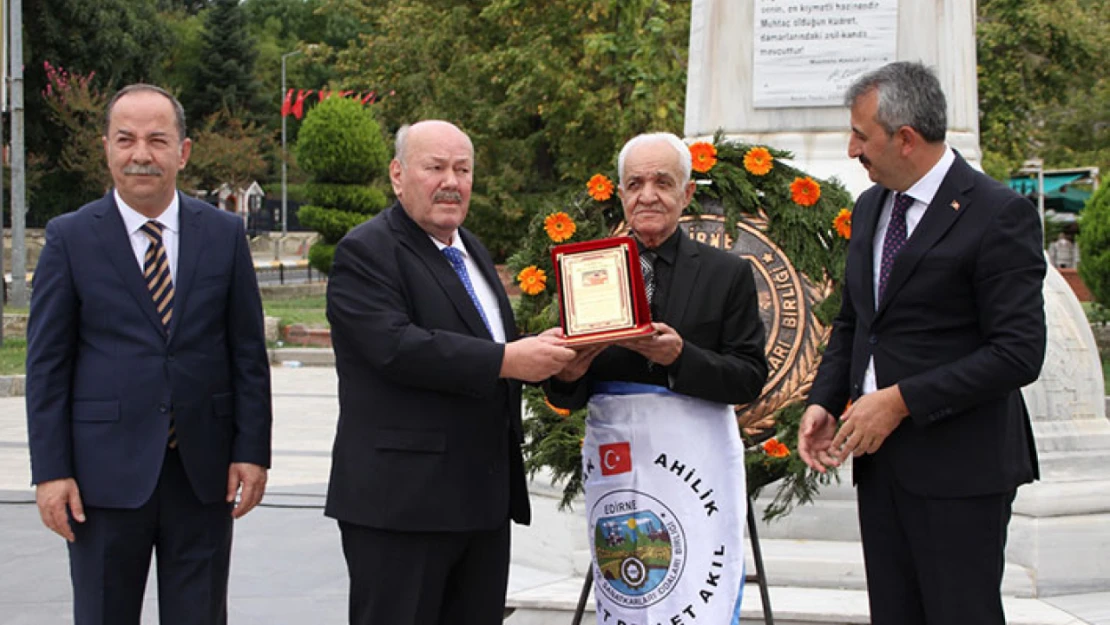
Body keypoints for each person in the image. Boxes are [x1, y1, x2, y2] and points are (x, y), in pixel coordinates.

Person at [798, 62, 1046, 625]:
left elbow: (1018, 352)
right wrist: (824, 398)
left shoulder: (997, 214)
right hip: (881, 466)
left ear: (905, 138)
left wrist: (899, 399)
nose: (851, 148)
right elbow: (856, 320)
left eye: (861, 135)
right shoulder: (870, 206)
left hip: (962, 468)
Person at [25, 84, 272, 625]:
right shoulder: (70, 238)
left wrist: (253, 452)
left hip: (202, 475)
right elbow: (46, 366)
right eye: (126, 139)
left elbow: (247, 354)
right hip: (100, 480)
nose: (141, 154)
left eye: (158, 140)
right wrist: (51, 471)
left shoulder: (225, 235)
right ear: (107, 149)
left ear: (182, 152)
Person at [324, 120, 576, 625]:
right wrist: (507, 360)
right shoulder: (366, 251)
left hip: (479, 504)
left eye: (462, 170)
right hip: (402, 508)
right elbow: (396, 347)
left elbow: (491, 341)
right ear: (398, 175)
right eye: (434, 167)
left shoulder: (470, 250)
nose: (451, 182)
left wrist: (561, 358)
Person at [546, 132, 768, 624]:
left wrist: (679, 357)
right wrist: (571, 370)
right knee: (629, 590)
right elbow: (564, 389)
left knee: (693, 588)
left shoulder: (726, 273)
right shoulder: (588, 273)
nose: (648, 194)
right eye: (636, 183)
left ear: (687, 194)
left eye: (663, 182)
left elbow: (750, 377)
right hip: (616, 464)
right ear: (620, 193)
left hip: (696, 469)